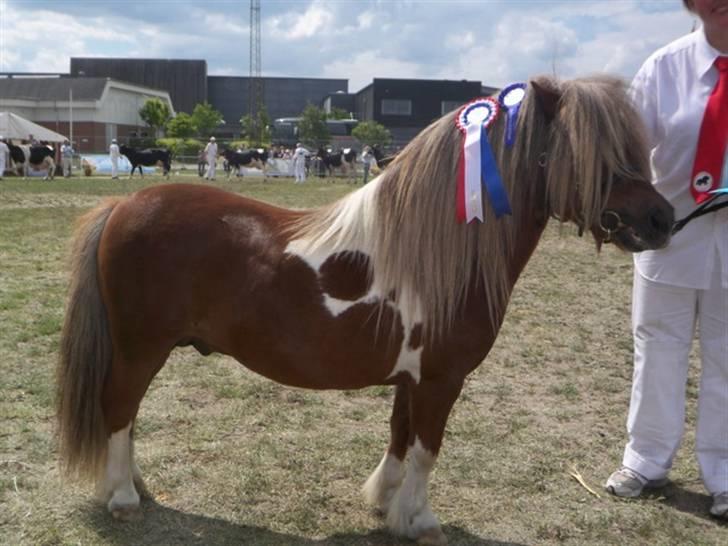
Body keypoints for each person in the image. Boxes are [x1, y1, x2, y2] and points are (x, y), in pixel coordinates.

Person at [605, 0, 728, 519]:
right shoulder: (663, 67)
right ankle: (647, 461)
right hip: (669, 236)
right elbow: (629, 153)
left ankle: (724, 474)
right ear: (692, 4)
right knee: (657, 350)